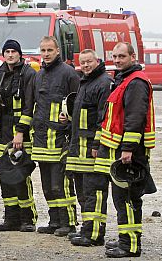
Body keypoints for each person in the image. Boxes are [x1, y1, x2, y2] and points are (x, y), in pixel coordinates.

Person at [100, 42, 157, 258]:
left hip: (131, 153)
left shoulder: (136, 82)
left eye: (122, 56)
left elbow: (135, 118)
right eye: (114, 56)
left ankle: (131, 245)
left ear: (132, 56)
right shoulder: (123, 79)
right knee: (121, 198)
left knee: (129, 199)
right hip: (123, 150)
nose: (117, 60)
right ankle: (126, 240)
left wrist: (128, 149)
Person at [30, 36, 80, 236]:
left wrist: (68, 125)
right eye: (43, 50)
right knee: (48, 187)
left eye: (49, 50)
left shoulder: (69, 74)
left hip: (60, 139)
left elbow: (77, 105)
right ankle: (54, 221)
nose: (46, 54)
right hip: (42, 140)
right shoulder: (39, 75)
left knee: (61, 186)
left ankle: (68, 223)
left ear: (58, 51)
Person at [64, 50, 113, 246]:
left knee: (95, 192)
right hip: (79, 150)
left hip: (91, 150)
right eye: (83, 63)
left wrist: (97, 144)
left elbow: (103, 118)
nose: (86, 65)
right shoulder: (85, 81)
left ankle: (94, 234)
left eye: (89, 62)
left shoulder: (103, 83)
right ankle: (87, 229)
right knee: (84, 193)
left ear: (97, 61)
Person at [0, 39, 38, 232]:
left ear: (20, 54)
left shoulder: (28, 74)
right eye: (7, 51)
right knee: (6, 177)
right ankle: (11, 219)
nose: (10, 55)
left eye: (13, 51)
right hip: (2, 134)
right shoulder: (1, 75)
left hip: (19, 135)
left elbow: (29, 106)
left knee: (21, 177)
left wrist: (20, 133)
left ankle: (28, 219)